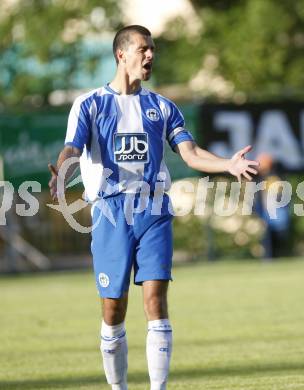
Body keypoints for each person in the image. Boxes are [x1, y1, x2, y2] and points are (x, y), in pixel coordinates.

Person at [48, 25, 258, 390]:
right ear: (121, 54)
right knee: (114, 308)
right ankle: (119, 387)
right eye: (143, 49)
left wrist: (228, 164)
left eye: (152, 49)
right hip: (111, 212)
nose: (150, 56)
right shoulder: (90, 104)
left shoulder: (162, 106)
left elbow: (190, 154)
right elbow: (72, 147)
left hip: (154, 210)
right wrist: (63, 170)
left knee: (156, 299)